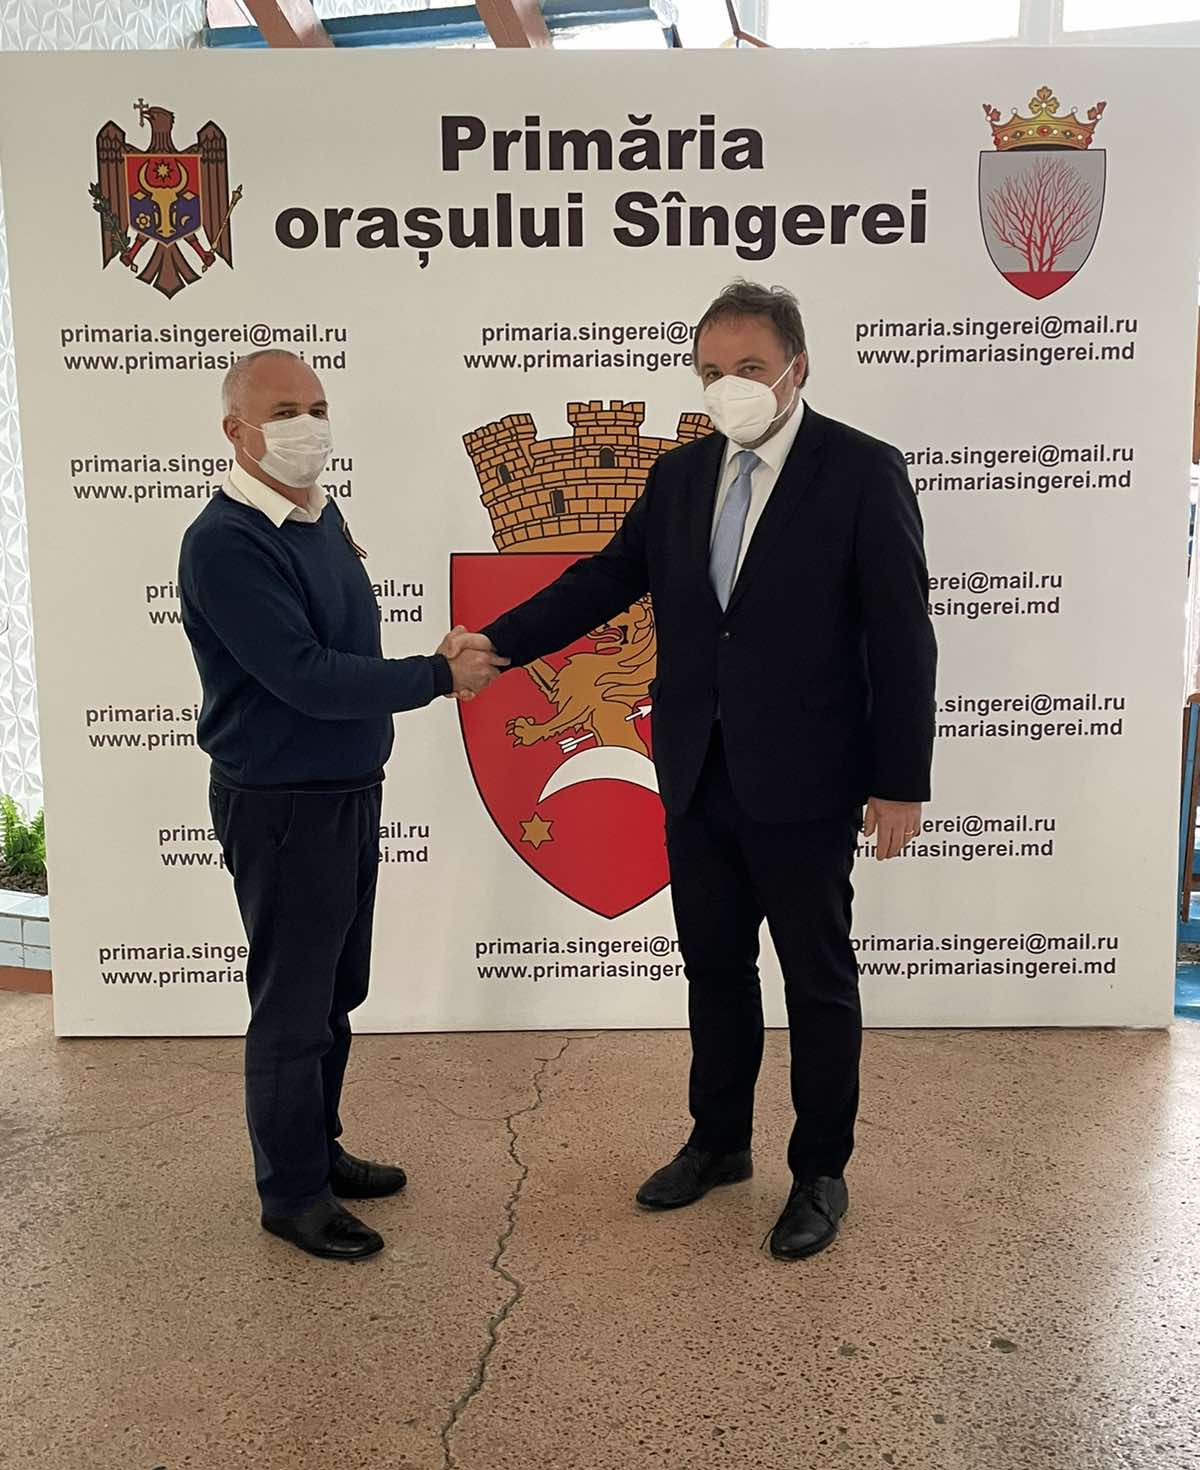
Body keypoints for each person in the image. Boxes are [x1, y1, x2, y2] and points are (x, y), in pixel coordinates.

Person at [448, 281, 937, 1261]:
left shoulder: (860, 470)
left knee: (817, 981)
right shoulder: (678, 477)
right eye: (712, 372)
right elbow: (603, 579)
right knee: (714, 969)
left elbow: (902, 634)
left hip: (806, 779)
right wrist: (497, 642)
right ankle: (718, 1143)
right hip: (695, 769)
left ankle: (820, 1171)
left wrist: (901, 781)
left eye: (749, 368)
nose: (729, 387)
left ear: (797, 367)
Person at [178, 350, 505, 1262]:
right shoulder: (227, 541)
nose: (308, 425)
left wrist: (425, 668)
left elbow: (343, 650)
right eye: (285, 410)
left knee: (333, 994)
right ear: (235, 430)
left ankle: (316, 1154)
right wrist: (437, 676)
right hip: (284, 803)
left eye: (318, 406)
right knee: (293, 1007)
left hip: (347, 790)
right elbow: (306, 678)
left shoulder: (319, 516)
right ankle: (291, 1197)